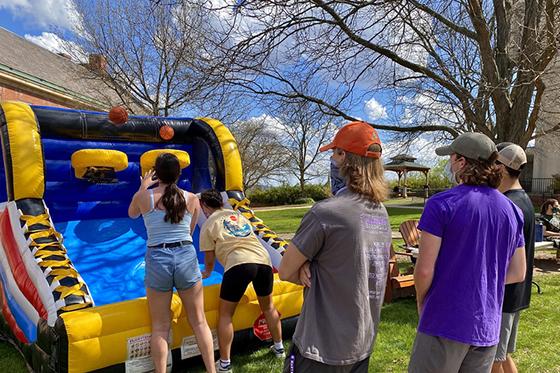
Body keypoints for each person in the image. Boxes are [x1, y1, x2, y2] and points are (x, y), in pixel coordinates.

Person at [278, 121, 392, 372]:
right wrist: (310, 263)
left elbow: (285, 271)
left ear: (345, 158)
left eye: (335, 152)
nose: (331, 158)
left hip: (320, 348)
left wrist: (303, 265)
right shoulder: (380, 212)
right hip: (361, 344)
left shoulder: (326, 213)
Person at [408, 133, 527, 373]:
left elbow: (423, 270)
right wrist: (482, 280)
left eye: (451, 158)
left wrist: (422, 301)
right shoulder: (513, 211)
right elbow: (518, 271)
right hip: (486, 325)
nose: (450, 164)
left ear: (462, 162)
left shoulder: (441, 204)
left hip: (444, 320)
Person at [128, 153, 215, 373]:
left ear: (156, 173)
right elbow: (190, 229)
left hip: (158, 258)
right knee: (199, 321)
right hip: (185, 255)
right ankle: (212, 371)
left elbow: (131, 214)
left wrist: (143, 187)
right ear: (179, 173)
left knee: (160, 327)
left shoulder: (144, 197)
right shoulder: (192, 198)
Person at [198, 189, 284, 373]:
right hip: (263, 261)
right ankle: (279, 348)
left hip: (239, 263)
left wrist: (207, 272)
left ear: (204, 206)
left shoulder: (208, 223)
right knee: (268, 307)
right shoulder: (238, 216)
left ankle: (225, 363)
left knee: (225, 314)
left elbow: (209, 257)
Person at [491, 143, 535, 373]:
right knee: (504, 355)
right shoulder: (524, 200)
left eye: (492, 163)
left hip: (504, 294)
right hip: (517, 292)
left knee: (493, 361)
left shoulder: (508, 204)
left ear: (501, 167)